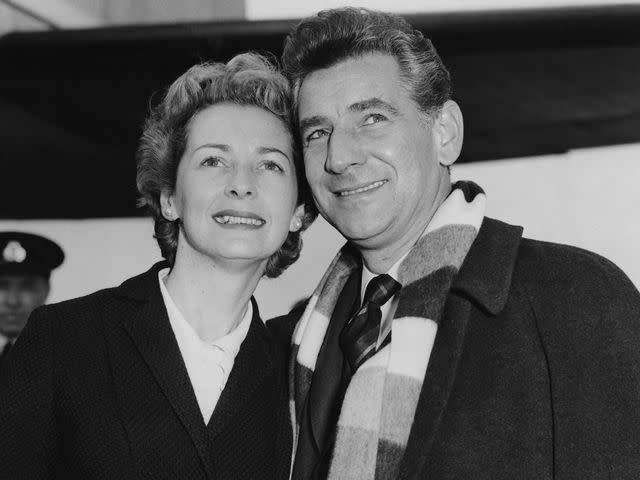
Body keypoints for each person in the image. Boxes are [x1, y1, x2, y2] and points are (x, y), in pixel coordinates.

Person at [272, 7, 640, 479]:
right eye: (318, 132)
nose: (339, 157)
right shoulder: (299, 339)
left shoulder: (579, 298)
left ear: (444, 134)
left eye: (372, 119)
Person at [0, 52, 316, 479]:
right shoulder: (62, 341)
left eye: (271, 164)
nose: (243, 184)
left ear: (298, 210)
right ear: (170, 197)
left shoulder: (298, 376)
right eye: (213, 160)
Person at [0, 232, 64, 368]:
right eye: (2, 286)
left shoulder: (71, 356)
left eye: (27, 287)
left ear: (46, 290)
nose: (12, 301)